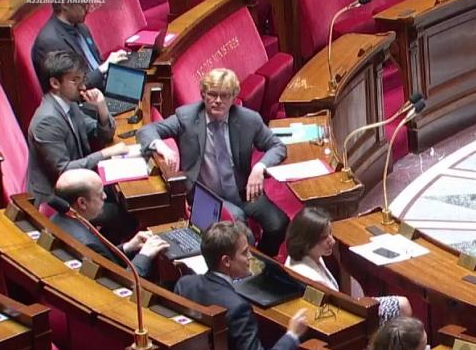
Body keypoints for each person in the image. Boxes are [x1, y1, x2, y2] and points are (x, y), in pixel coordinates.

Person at [136, 68, 289, 256]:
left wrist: (260, 167)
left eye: (224, 96)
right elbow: (146, 131)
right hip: (207, 196)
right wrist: (161, 145)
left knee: (279, 224)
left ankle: (264, 262)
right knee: (242, 235)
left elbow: (278, 146)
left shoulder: (248, 119)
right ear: (203, 95)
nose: (217, 100)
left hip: (243, 191)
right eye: (212, 94)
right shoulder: (188, 117)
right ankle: (243, 275)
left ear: (233, 97)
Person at [175, 221, 307, 350]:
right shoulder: (238, 309)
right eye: (245, 253)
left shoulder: (185, 284)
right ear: (226, 261)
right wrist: (292, 335)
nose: (250, 257)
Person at [27, 50, 136, 242]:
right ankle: (115, 257)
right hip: (59, 199)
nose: (83, 85)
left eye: (82, 78)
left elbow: (102, 133)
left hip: (80, 187)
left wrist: (101, 107)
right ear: (55, 83)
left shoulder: (69, 105)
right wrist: (104, 154)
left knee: (122, 199)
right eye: (74, 80)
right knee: (124, 213)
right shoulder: (47, 121)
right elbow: (63, 171)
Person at [285, 207, 413, 324]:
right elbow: (340, 311)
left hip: (340, 310)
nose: (332, 241)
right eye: (325, 238)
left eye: (330, 233)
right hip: (345, 320)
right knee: (403, 305)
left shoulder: (304, 253)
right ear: (307, 241)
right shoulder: (314, 280)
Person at [50, 169, 169, 277]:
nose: (105, 196)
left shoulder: (56, 219)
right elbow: (123, 284)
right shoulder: (86, 245)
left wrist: (127, 247)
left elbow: (105, 260)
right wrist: (145, 256)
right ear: (82, 203)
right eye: (100, 193)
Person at [31, 0, 128, 90]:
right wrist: (104, 68)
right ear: (65, 4)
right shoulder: (49, 42)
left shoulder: (81, 27)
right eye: (83, 5)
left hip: (102, 88)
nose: (87, 9)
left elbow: (95, 64)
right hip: (83, 103)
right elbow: (73, 88)